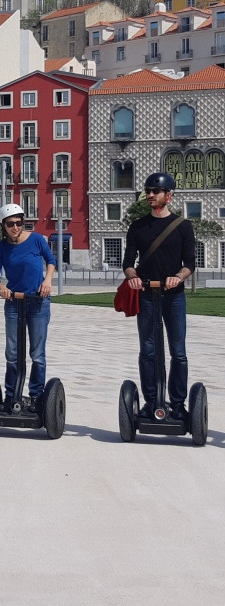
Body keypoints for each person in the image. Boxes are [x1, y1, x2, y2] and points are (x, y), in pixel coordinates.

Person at [122, 172, 195, 421]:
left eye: (155, 191)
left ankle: (178, 403)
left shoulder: (183, 226)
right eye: (148, 191)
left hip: (174, 296)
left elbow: (190, 264)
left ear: (169, 195)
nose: (150, 195)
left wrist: (179, 276)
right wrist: (132, 276)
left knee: (178, 351)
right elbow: (128, 262)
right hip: (146, 294)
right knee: (148, 351)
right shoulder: (138, 226)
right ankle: (151, 401)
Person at [0, 203, 57, 412]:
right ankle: (12, 395)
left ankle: (36, 396)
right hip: (13, 303)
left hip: (38, 302)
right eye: (11, 224)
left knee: (37, 354)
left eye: (19, 223)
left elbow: (51, 261)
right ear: (3, 226)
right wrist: (2, 287)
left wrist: (47, 281)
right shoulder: (0, 248)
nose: (15, 227)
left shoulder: (36, 240)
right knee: (12, 353)